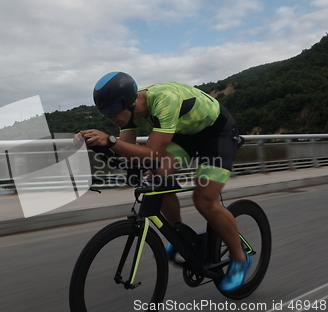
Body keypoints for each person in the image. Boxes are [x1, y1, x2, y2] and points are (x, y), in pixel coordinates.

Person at [77, 71, 250, 292]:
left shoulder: (164, 99)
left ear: (130, 101)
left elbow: (150, 154)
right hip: (185, 135)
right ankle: (180, 233)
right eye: (104, 112)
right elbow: (127, 155)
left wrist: (109, 140)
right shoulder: (126, 114)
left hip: (216, 133)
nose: (110, 116)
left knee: (204, 199)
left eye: (113, 109)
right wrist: (94, 145)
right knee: (157, 176)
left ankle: (240, 259)